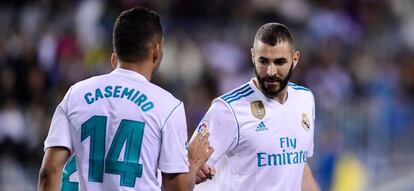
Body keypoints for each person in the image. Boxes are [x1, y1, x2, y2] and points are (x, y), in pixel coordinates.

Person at [38, 7, 213, 191]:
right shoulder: (168, 106)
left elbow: (48, 172)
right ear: (156, 50)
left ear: (115, 56)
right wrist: (192, 165)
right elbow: (177, 189)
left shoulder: (76, 94)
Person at [192, 23, 318, 191]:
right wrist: (194, 170)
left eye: (280, 62)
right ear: (253, 56)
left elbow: (300, 166)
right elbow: (186, 169)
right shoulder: (228, 109)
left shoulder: (305, 99)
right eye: (263, 61)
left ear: (295, 59)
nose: (271, 71)